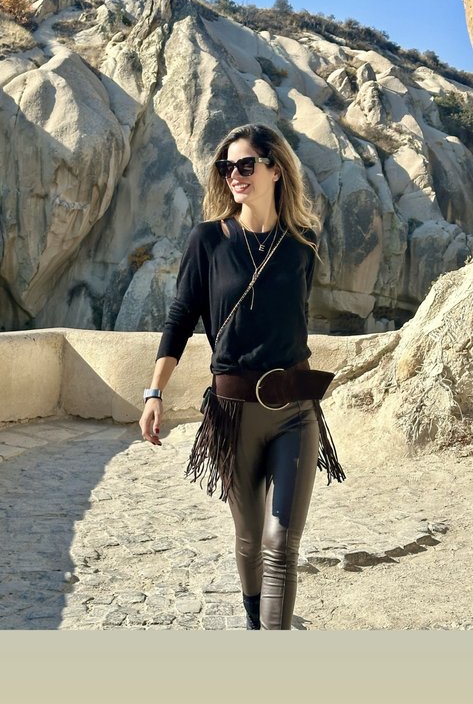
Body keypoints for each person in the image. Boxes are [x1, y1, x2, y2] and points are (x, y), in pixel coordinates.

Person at [138, 123, 345, 630]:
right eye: (226, 167)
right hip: (232, 415)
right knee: (250, 540)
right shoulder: (208, 240)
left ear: (276, 169)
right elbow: (180, 318)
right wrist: (154, 392)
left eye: (246, 164)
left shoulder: (303, 245)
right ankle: (256, 621)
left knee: (281, 543)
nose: (234, 174)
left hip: (296, 411)